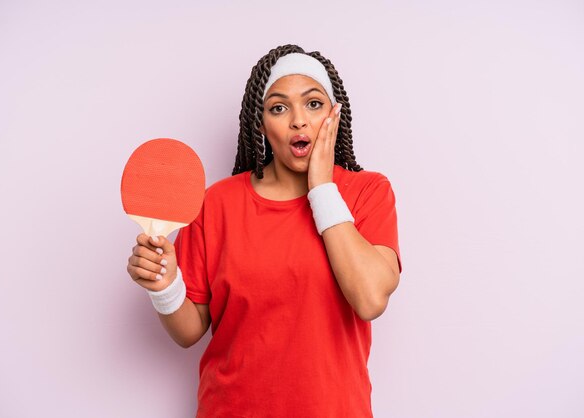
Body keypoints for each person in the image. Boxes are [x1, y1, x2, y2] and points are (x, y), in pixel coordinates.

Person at [126, 44, 402, 418]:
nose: (299, 121)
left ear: (334, 114)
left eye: (314, 104)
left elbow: (370, 299)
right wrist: (165, 286)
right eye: (279, 108)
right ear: (260, 122)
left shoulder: (367, 191)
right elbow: (189, 332)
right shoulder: (217, 204)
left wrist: (321, 188)